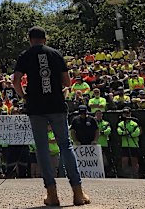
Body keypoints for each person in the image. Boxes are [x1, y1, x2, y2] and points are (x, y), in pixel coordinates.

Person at [12, 26, 90, 206]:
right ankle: (78, 193)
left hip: (36, 107)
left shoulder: (25, 55)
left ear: (30, 39)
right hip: (56, 105)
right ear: (45, 39)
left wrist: (25, 97)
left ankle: (52, 194)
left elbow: (16, 81)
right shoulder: (56, 54)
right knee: (65, 146)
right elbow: (67, 82)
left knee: (42, 148)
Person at [117, 107, 140, 178]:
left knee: (134, 161)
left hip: (133, 145)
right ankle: (127, 175)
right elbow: (119, 131)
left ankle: (135, 174)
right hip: (124, 145)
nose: (126, 115)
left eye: (127, 113)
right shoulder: (121, 124)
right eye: (124, 113)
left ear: (130, 113)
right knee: (124, 161)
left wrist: (130, 135)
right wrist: (124, 133)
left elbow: (137, 132)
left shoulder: (134, 123)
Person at [94, 110, 112, 176]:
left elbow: (108, 131)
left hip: (104, 144)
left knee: (105, 160)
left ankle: (107, 173)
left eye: (100, 114)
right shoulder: (93, 123)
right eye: (97, 114)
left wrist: (101, 133)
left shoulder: (106, 123)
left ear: (102, 115)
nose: (98, 115)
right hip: (95, 145)